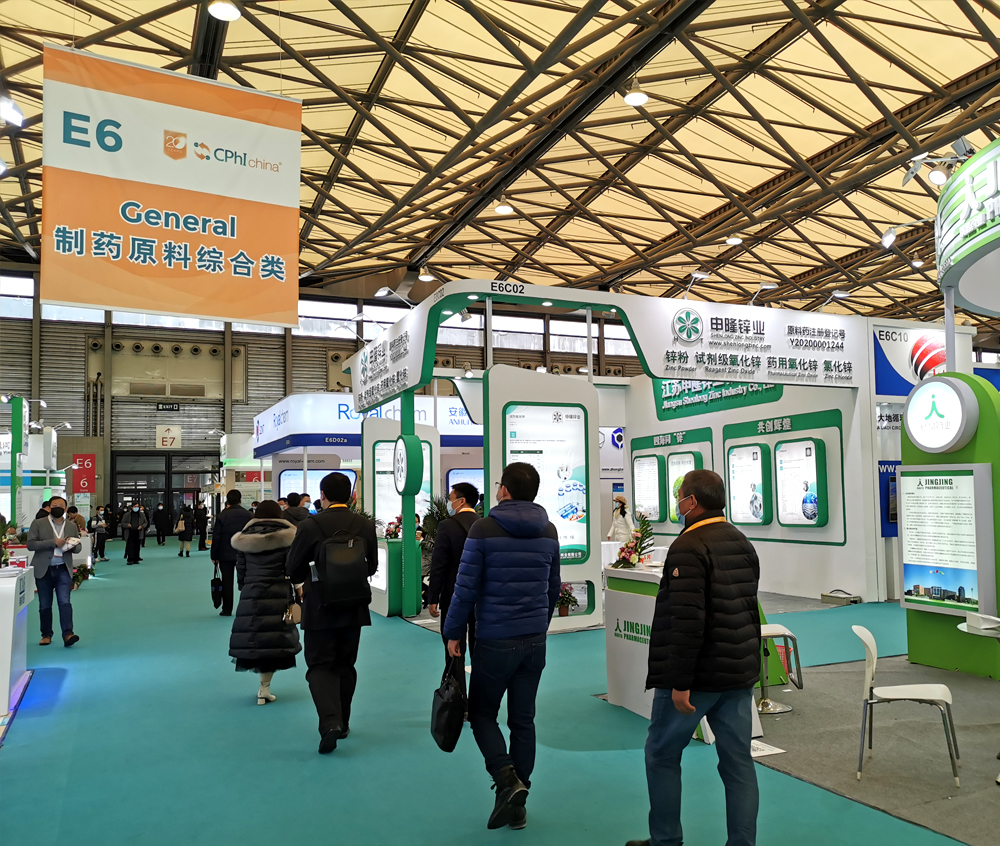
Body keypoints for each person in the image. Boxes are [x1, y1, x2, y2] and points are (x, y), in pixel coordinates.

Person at [627, 470, 761, 846]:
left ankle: (666, 840)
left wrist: (680, 682)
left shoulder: (688, 546)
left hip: (698, 676)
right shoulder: (741, 541)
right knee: (738, 763)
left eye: (681, 496)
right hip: (737, 673)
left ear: (692, 502)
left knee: (662, 754)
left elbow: (687, 621)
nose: (678, 503)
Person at [444, 462, 561, 831]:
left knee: (481, 714)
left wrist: (453, 632)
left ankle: (506, 779)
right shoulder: (549, 530)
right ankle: (518, 804)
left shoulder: (483, 528)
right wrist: (539, 624)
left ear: (505, 490)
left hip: (494, 639)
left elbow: (465, 588)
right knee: (523, 720)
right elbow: (553, 588)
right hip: (534, 641)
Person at [285, 472, 377, 754]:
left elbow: (293, 567)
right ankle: (344, 722)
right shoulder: (363, 524)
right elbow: (372, 566)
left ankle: (330, 722)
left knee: (320, 665)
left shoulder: (310, 525)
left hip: (320, 605)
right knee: (346, 664)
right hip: (355, 604)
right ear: (350, 496)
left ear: (322, 495)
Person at [229, 500, 301, 705]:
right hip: (278, 590)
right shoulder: (288, 537)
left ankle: (263, 688)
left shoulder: (244, 537)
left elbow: (241, 569)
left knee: (256, 635)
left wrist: (245, 587)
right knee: (274, 638)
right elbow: (292, 568)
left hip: (252, 590)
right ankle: (265, 687)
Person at [428, 482, 481, 696]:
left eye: (451, 499)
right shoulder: (483, 525)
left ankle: (458, 700)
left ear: (461, 501)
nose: (450, 503)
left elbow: (439, 565)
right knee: (479, 648)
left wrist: (433, 597)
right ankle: (480, 700)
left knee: (453, 649)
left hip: (453, 595)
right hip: (479, 596)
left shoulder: (447, 526)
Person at [26, 495, 81, 647]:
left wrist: (72, 545)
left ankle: (68, 634)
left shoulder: (71, 526)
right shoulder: (38, 523)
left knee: (65, 602)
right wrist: (53, 542)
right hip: (44, 569)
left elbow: (78, 546)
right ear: (49, 508)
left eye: (61, 506)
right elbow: (30, 544)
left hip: (63, 568)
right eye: (54, 505)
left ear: (65, 508)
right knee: (44, 604)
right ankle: (46, 634)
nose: (58, 508)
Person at [212, 490, 253, 616]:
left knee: (227, 581)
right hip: (245, 552)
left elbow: (216, 537)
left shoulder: (222, 516)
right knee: (247, 580)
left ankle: (227, 609)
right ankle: (248, 608)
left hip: (225, 553)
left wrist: (214, 555)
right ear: (240, 500)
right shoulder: (249, 515)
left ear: (228, 500)